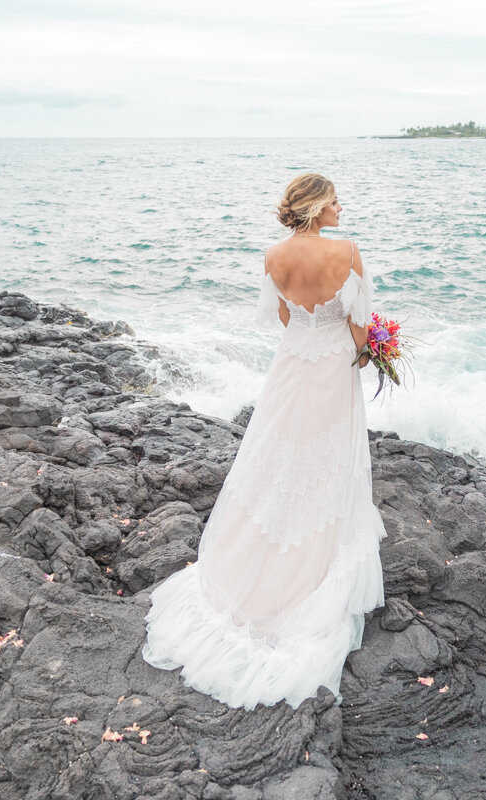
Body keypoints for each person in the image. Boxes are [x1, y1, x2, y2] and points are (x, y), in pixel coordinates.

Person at [142, 173, 387, 710]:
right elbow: (359, 323)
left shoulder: (274, 256)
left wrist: (313, 323)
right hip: (330, 372)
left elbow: (281, 317)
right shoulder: (346, 251)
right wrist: (373, 353)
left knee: (276, 459)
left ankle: (255, 561)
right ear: (317, 206)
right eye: (336, 199)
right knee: (326, 461)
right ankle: (310, 565)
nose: (342, 207)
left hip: (290, 368)